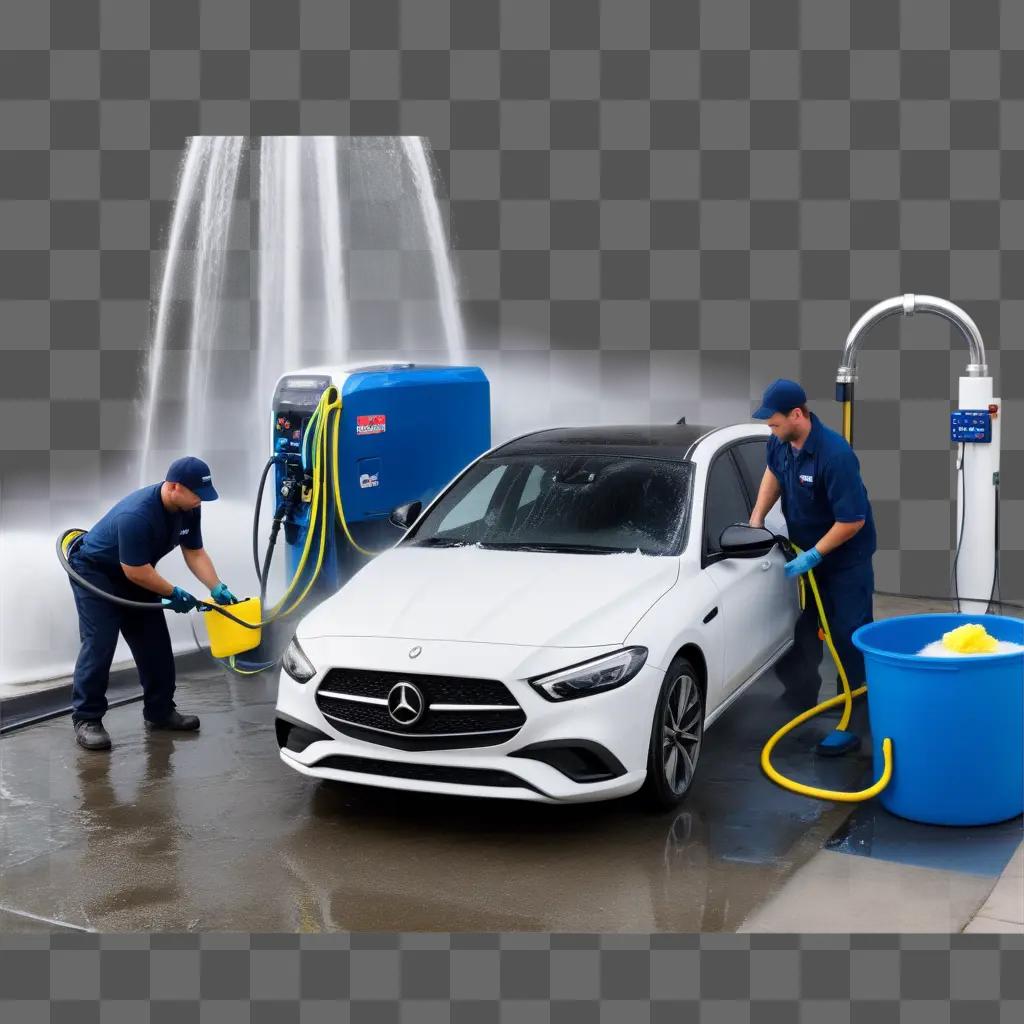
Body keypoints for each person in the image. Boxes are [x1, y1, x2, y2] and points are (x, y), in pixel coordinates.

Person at [66, 456, 239, 751]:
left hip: (138, 573)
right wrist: (174, 592)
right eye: (197, 495)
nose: (201, 502)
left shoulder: (189, 507)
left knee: (155, 642)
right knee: (100, 643)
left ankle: (160, 713)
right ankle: (87, 719)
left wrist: (216, 585)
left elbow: (194, 551)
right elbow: (134, 570)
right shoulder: (137, 515)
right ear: (173, 487)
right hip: (97, 574)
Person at [748, 379, 877, 709]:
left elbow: (852, 520)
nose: (770, 428)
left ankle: (854, 708)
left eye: (774, 422)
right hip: (806, 551)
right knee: (804, 630)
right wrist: (757, 518)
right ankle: (800, 698)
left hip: (846, 559)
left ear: (796, 415)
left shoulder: (835, 456)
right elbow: (773, 473)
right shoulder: (780, 442)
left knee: (847, 633)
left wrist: (817, 554)